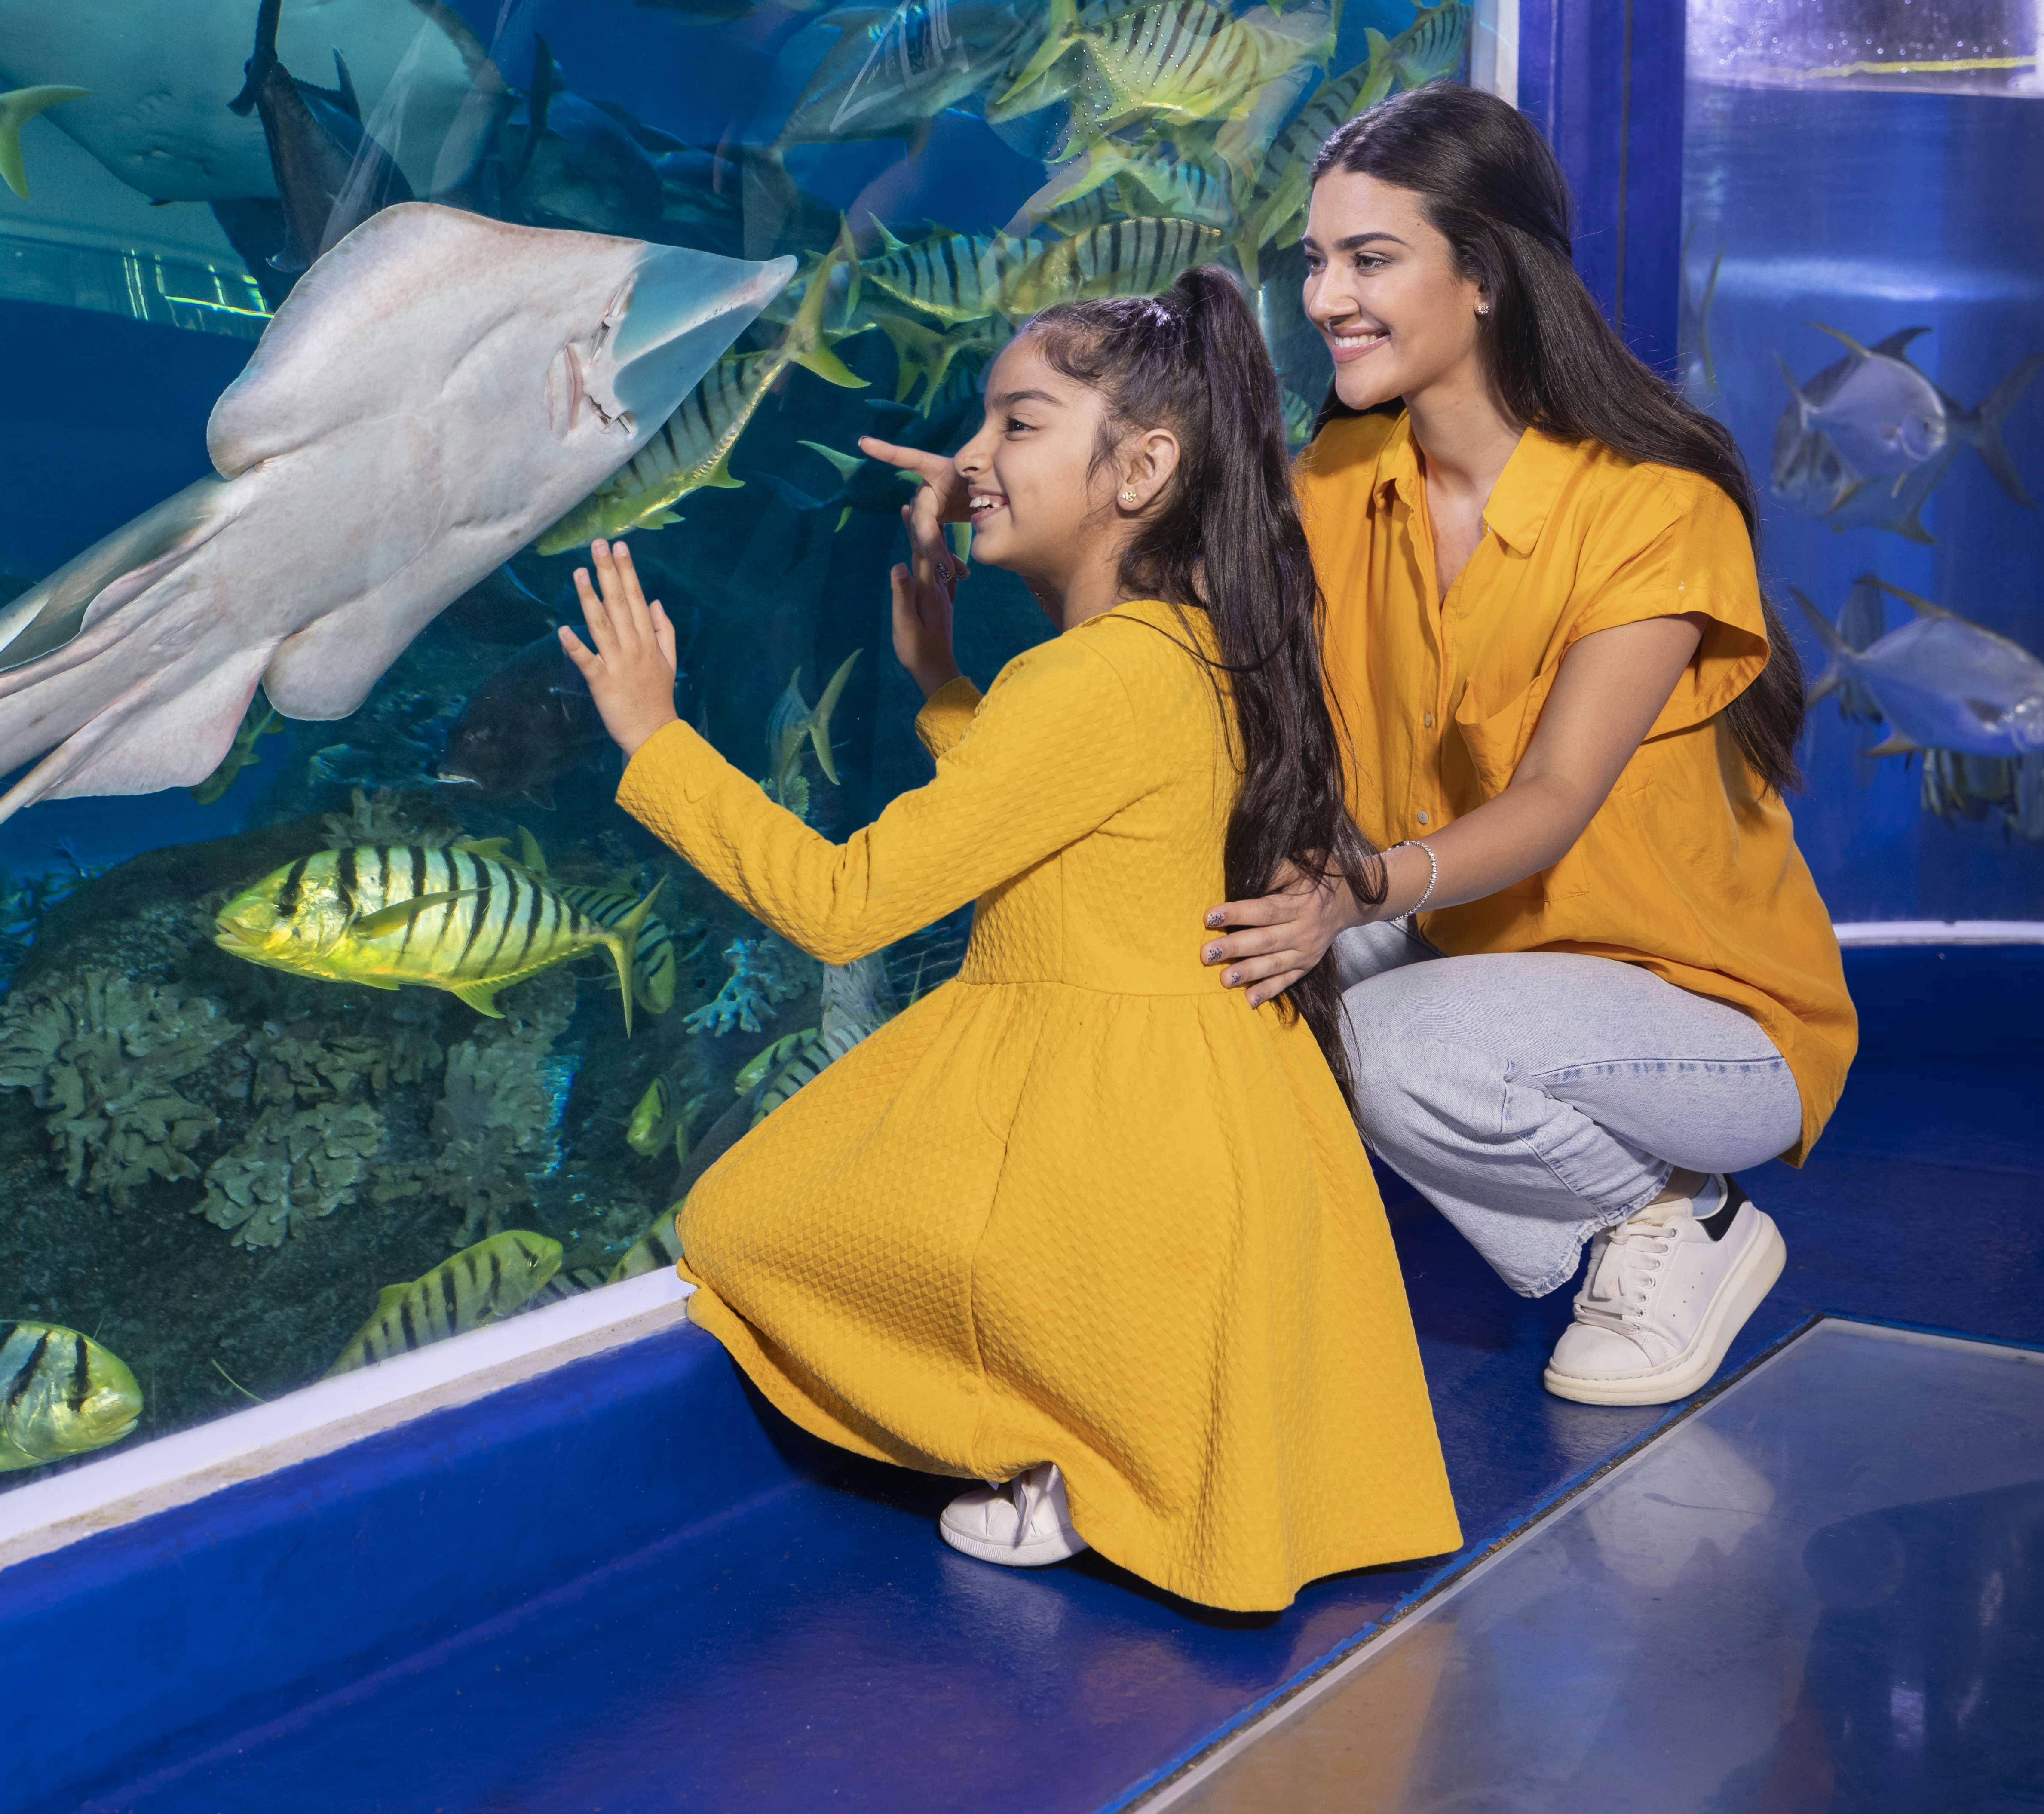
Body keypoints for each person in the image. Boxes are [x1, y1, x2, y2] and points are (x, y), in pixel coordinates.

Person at [556, 269, 1457, 1609]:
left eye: (1017, 425)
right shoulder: (1197, 649)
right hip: (1209, 1122)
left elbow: (846, 903)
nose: (972, 459)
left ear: (1144, 467)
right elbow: (1070, 828)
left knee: (742, 1218)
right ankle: (1088, 1432)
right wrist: (940, 684)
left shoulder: (1093, 676)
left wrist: (657, 737)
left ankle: (1060, 1448)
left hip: (1109, 1137)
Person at [1202, 83, 1856, 1409]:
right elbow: (1181, 653)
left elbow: (1555, 800)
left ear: (1486, 274)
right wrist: (1016, 491)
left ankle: (1673, 1215)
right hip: (1469, 947)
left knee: (1390, 1046)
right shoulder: (1334, 482)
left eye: (1371, 259)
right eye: (1317, 260)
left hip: (1710, 1020)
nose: (1327, 298)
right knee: (1212, 970)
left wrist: (1355, 892)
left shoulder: (1655, 511)